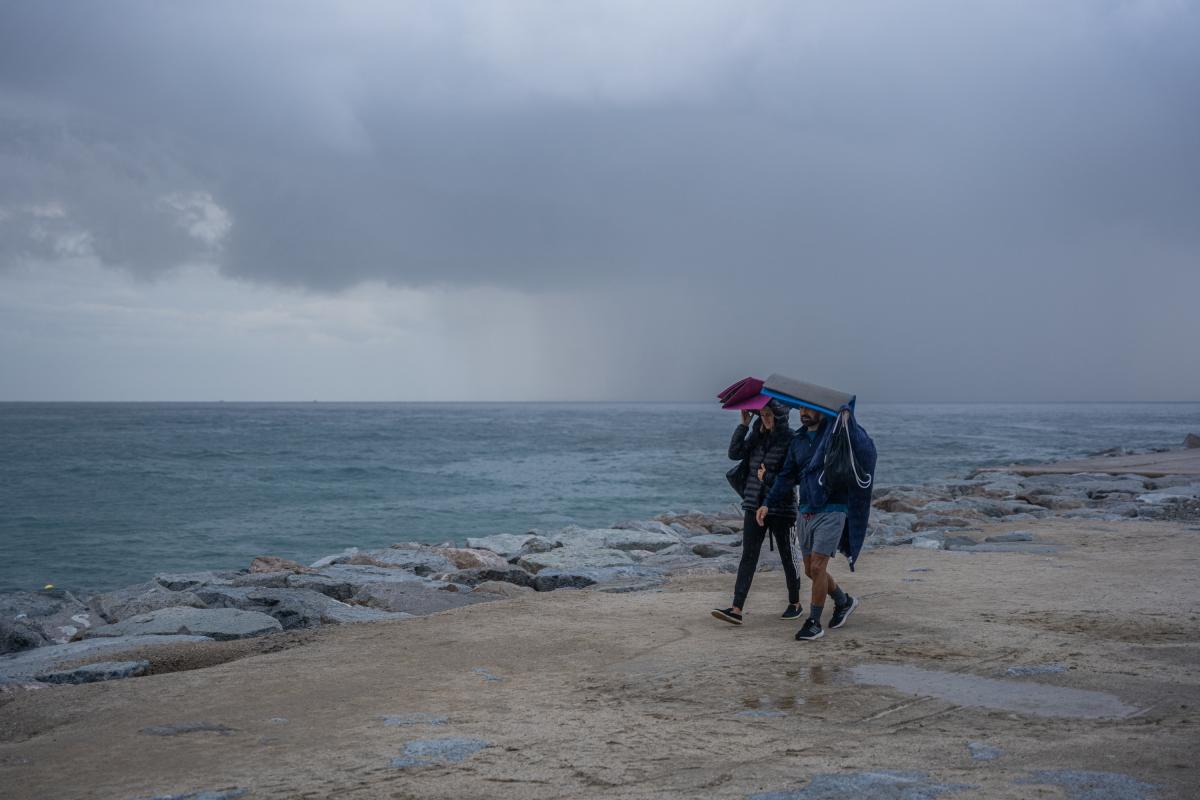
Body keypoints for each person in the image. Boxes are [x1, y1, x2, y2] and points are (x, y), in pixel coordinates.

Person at [759, 404, 876, 641]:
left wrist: (847, 417)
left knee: (818, 567)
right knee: (812, 570)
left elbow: (863, 444)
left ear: (821, 411)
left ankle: (814, 622)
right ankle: (844, 601)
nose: (804, 413)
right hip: (805, 511)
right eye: (801, 408)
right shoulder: (798, 440)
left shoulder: (835, 433)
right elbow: (786, 476)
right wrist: (767, 503)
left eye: (809, 408)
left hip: (833, 509)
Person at [711, 399, 803, 625]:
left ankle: (795, 603)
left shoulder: (791, 439)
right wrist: (743, 425)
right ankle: (736, 608)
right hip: (753, 504)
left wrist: (767, 478)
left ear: (780, 416)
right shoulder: (757, 437)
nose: (766, 419)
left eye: (769, 415)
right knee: (748, 557)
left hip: (781, 508)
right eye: (762, 415)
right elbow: (734, 453)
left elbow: (792, 476)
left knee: (787, 557)